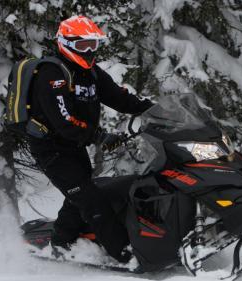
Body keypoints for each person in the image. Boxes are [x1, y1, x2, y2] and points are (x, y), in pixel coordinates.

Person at [27, 16, 153, 261]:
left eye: (93, 46)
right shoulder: (52, 74)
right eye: (84, 46)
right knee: (91, 200)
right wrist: (99, 137)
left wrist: (153, 110)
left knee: (79, 195)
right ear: (67, 43)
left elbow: (120, 98)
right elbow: (63, 120)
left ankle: (62, 243)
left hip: (74, 145)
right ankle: (126, 254)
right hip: (50, 148)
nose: (89, 51)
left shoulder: (91, 73)